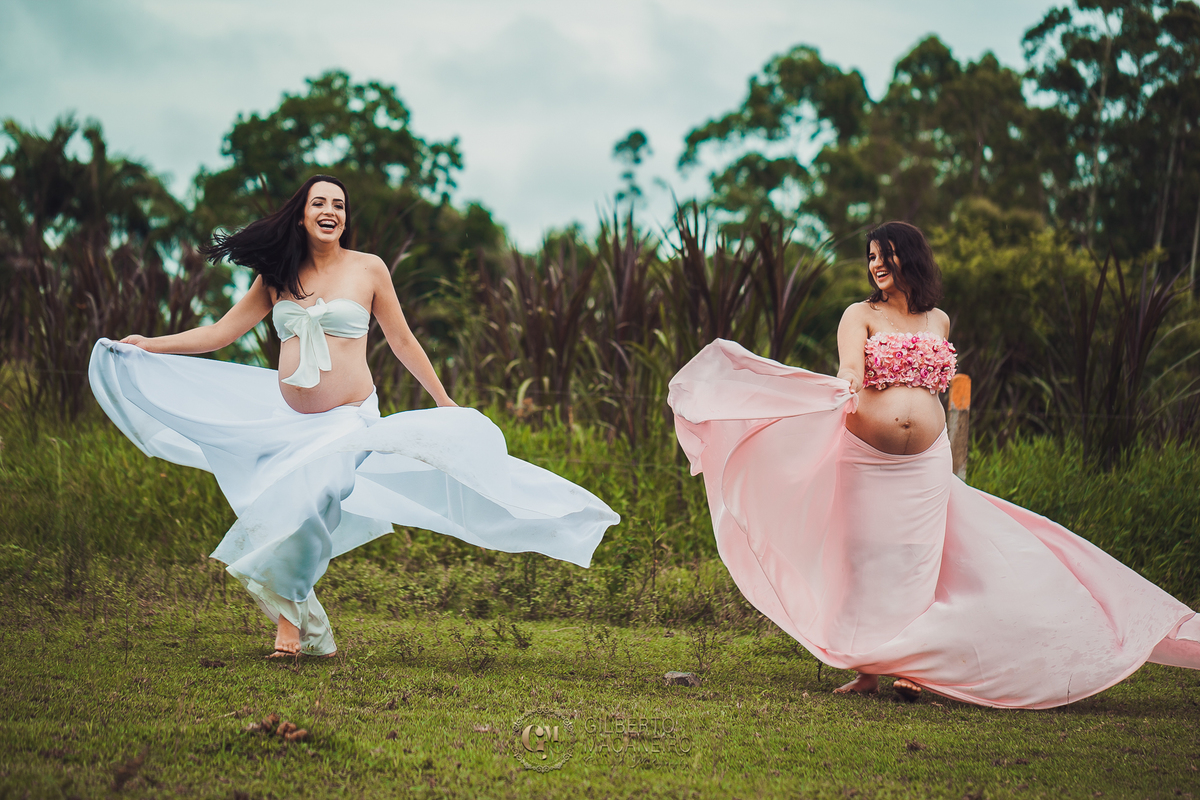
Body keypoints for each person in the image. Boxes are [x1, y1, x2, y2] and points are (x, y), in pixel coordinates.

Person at [667, 220, 1200, 709]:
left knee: (915, 561)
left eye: (886, 255)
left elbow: (934, 390)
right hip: (866, 458)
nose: (876, 265)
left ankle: (912, 669)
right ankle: (868, 668)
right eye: (871, 257)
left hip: (924, 463)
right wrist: (847, 383)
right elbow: (850, 365)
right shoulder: (860, 315)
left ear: (911, 259)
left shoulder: (937, 319)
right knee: (864, 558)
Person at [89, 174, 619, 658]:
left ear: (345, 217)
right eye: (319, 202)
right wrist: (150, 346)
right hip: (288, 420)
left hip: (350, 417)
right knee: (282, 507)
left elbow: (402, 340)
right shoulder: (277, 275)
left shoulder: (368, 268)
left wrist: (442, 400)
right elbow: (220, 333)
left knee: (318, 496)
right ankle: (293, 630)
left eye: (338, 204)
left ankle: (286, 606)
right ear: (301, 214)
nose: (330, 210)